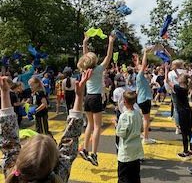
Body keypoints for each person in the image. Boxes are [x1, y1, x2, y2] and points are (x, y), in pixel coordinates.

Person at [0, 70, 92, 183]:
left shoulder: (13, 176)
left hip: (41, 116)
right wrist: (79, 96)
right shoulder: (58, 178)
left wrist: (4, 93)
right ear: (54, 162)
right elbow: (70, 141)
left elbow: (9, 141)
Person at [78, 34, 115, 166]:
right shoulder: (99, 69)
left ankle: (85, 149)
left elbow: (85, 56)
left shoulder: (85, 68)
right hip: (96, 97)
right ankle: (94, 154)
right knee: (98, 126)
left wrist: (85, 43)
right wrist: (110, 42)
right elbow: (108, 56)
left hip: (87, 98)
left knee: (90, 124)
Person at [165, 63, 192, 160]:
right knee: (189, 131)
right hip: (188, 111)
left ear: (180, 81)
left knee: (184, 133)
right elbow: (184, 79)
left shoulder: (178, 88)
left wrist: (166, 70)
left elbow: (166, 80)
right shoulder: (186, 87)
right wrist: (176, 71)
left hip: (182, 112)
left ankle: (185, 151)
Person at [116, 91, 144, 183]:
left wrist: (116, 124)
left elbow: (121, 133)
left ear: (124, 102)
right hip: (136, 150)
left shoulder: (124, 116)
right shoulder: (138, 113)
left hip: (126, 151)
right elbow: (142, 129)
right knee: (135, 176)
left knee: (123, 177)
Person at [135, 48, 156, 144]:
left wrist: (137, 59)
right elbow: (143, 65)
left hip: (141, 99)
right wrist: (144, 53)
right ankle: (146, 138)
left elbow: (140, 65)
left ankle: (143, 134)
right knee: (146, 119)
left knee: (143, 118)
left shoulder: (139, 76)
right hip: (145, 100)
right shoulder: (139, 75)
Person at [167, 59, 186, 134]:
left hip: (174, 90)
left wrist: (170, 90)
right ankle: (183, 125)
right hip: (183, 90)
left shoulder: (170, 73)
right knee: (184, 107)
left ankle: (177, 127)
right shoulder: (184, 72)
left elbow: (168, 82)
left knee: (176, 108)